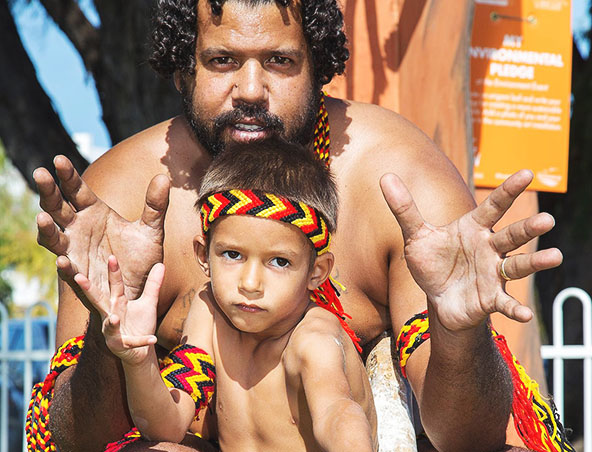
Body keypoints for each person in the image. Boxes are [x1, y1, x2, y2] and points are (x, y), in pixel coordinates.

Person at [29, 1, 565, 451]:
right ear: (183, 69)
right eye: (221, 60)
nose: (250, 90)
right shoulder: (126, 193)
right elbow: (74, 439)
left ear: (319, 66)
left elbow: (464, 437)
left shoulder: (397, 181)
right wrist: (110, 333)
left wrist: (458, 333)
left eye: (280, 61)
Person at [73, 141, 377, 452]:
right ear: (204, 255)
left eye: (280, 262)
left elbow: (337, 412)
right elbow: (167, 426)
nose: (250, 282)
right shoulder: (210, 312)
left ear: (317, 271)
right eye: (233, 255)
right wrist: (139, 361)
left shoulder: (314, 337)